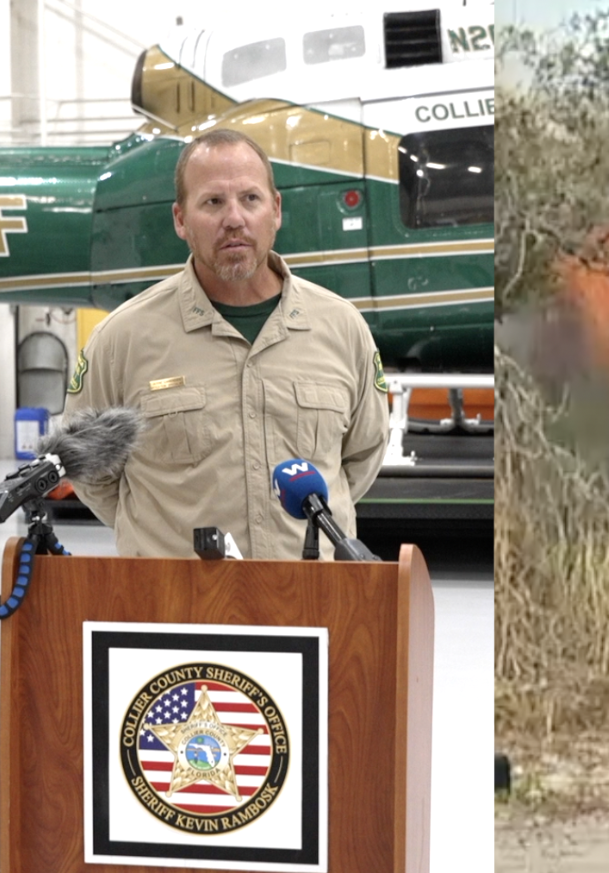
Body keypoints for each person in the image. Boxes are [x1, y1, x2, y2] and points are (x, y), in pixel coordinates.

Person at [64, 127, 390, 560]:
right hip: (178, 608)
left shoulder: (341, 327)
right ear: (180, 219)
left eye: (250, 199)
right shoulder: (122, 339)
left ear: (275, 210)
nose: (234, 218)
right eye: (213, 202)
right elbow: (90, 472)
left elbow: (361, 457)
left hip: (311, 603)